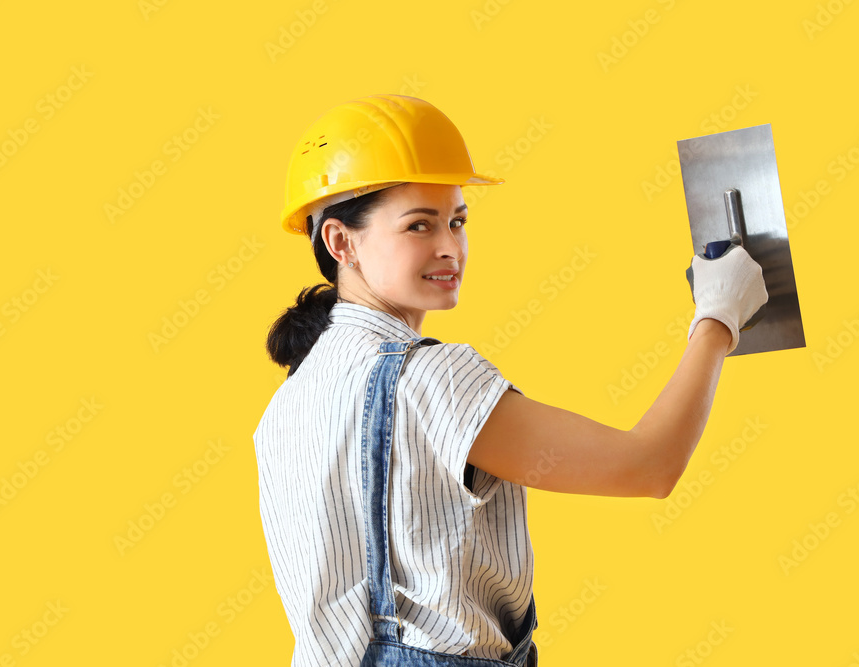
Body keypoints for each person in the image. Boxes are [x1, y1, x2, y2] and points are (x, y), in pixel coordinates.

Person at [253, 94, 768, 667]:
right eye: (418, 226)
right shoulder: (431, 377)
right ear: (340, 242)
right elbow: (648, 467)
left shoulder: (288, 403)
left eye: (457, 220)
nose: (449, 247)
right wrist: (718, 316)